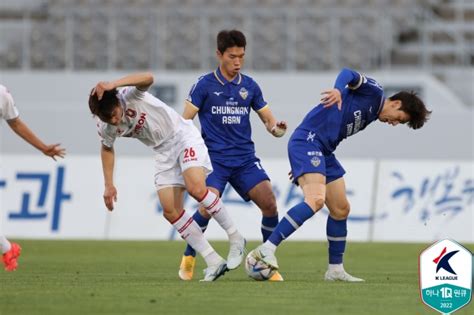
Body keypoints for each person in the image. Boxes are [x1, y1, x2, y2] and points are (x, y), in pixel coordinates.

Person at [248, 68, 432, 281]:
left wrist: (304, 165)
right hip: (308, 140)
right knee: (315, 200)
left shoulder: (372, 114)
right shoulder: (374, 92)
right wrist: (337, 89)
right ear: (396, 104)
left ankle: (335, 270)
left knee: (341, 208)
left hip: (323, 151)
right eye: (398, 119)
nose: (393, 123)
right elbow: (349, 74)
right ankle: (266, 249)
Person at [89, 72, 247, 281]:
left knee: (197, 189)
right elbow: (107, 148)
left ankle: (236, 237)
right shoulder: (105, 125)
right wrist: (108, 185)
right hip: (163, 151)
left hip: (182, 136)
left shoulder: (129, 95)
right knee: (170, 210)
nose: (115, 120)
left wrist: (113, 84)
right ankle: (213, 260)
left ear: (118, 100)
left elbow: (148, 77)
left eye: (116, 114)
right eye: (108, 118)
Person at [178, 29, 288, 281]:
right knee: (208, 206)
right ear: (219, 54)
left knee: (270, 203)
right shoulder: (204, 85)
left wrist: (277, 130)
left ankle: (265, 259)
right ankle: (189, 256)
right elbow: (183, 123)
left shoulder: (249, 86)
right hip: (214, 160)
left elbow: (270, 123)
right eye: (232, 56)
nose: (237, 62)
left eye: (241, 56)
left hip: (245, 160)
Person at [0, 84, 65, 271]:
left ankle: (8, 248)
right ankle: (7, 248)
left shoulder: (2, 94)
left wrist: (43, 147)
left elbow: (16, 123)